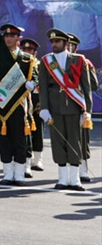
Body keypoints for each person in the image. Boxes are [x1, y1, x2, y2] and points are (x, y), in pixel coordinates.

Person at [39, 29, 93, 191]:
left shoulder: (79, 60)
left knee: (75, 141)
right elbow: (43, 86)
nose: (54, 44)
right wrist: (44, 108)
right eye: (52, 42)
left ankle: (75, 179)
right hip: (54, 108)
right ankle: (62, 178)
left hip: (74, 107)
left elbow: (86, 87)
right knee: (58, 142)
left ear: (66, 44)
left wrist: (87, 111)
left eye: (57, 42)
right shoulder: (46, 60)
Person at [0, 24, 38, 186]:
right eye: (6, 36)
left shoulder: (27, 59)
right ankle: (7, 173)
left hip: (19, 105)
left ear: (18, 39)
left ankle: (19, 174)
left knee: (19, 139)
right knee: (3, 140)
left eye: (12, 36)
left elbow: (35, 77)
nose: (8, 39)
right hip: (0, 104)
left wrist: (32, 83)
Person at [66, 33, 97, 184]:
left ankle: (83, 170)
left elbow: (94, 85)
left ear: (77, 47)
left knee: (83, 139)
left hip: (80, 104)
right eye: (68, 45)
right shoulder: (57, 63)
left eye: (73, 46)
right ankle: (67, 173)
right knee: (66, 137)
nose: (70, 48)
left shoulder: (84, 62)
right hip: (64, 105)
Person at [20, 38, 45, 173]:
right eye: (25, 50)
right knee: (24, 129)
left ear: (35, 53)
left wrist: (43, 103)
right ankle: (25, 160)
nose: (27, 52)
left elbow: (46, 85)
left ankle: (38, 158)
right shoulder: (20, 64)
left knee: (38, 130)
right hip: (23, 99)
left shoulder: (41, 65)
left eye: (30, 50)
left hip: (37, 99)